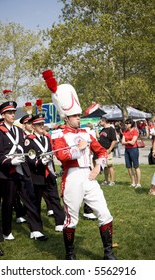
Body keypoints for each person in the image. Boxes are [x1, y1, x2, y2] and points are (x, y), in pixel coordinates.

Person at [42, 69, 117, 260]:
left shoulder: (87, 132)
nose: (78, 118)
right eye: (75, 116)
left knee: (105, 214)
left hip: (89, 176)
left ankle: (108, 253)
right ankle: (70, 254)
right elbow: (62, 155)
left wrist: (98, 167)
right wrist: (80, 148)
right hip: (72, 177)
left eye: (78, 115)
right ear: (66, 117)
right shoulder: (58, 133)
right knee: (71, 219)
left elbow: (101, 151)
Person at [0, 99, 48, 241]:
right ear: (3, 115)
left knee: (30, 199)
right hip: (7, 173)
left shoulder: (18, 130)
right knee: (8, 203)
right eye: (9, 113)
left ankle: (35, 230)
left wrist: (35, 159)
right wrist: (10, 161)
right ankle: (6, 231)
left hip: (22, 170)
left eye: (13, 112)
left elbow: (24, 148)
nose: (12, 115)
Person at [24, 113, 65, 232]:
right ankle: (36, 228)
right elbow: (29, 159)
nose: (42, 126)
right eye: (38, 124)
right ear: (33, 126)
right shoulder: (28, 140)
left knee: (55, 199)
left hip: (49, 174)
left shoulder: (46, 138)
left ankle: (60, 222)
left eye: (42, 124)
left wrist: (53, 170)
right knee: (35, 202)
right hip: (37, 175)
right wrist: (41, 161)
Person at [121, 118, 141, 188]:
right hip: (127, 150)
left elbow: (133, 142)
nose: (126, 124)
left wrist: (127, 142)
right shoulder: (125, 132)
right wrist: (128, 142)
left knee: (136, 166)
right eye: (125, 123)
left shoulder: (135, 131)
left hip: (134, 150)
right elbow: (122, 142)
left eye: (127, 123)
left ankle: (138, 183)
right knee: (129, 167)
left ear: (131, 124)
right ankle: (133, 182)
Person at [98, 117, 117, 186]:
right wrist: (96, 129)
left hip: (107, 150)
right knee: (105, 166)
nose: (99, 123)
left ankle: (112, 181)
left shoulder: (110, 129)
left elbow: (114, 140)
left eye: (100, 122)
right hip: (102, 151)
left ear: (104, 121)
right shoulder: (103, 129)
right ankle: (106, 180)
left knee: (110, 165)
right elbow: (98, 137)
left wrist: (110, 149)